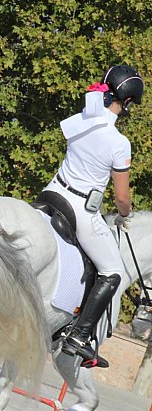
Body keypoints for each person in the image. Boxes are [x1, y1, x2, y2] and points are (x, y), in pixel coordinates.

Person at [44, 65, 144, 364]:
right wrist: (125, 214)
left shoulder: (80, 121)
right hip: (79, 208)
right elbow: (121, 197)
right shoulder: (119, 142)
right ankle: (78, 335)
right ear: (126, 103)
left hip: (51, 193)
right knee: (112, 270)